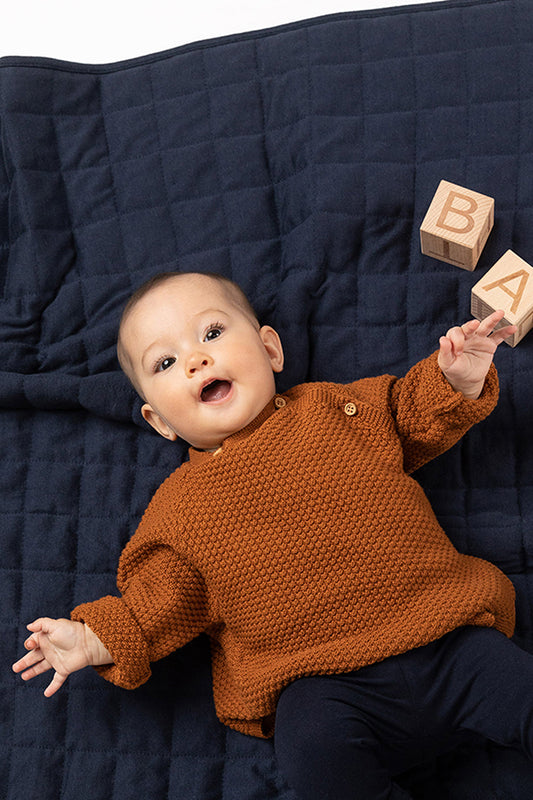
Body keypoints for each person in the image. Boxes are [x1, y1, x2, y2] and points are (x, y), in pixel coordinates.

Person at [12, 271, 533, 800]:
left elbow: (411, 412)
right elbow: (158, 603)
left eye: (212, 333)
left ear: (270, 350)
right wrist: (92, 639)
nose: (196, 360)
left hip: (448, 639)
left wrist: (456, 380)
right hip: (325, 686)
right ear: (160, 421)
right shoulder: (180, 509)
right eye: (165, 363)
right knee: (310, 747)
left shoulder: (336, 409)